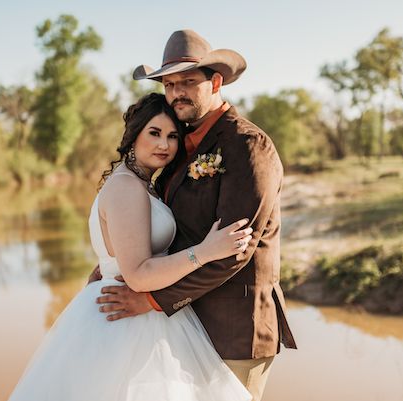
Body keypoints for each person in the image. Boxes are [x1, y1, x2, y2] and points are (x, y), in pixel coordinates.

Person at [92, 29, 297, 401]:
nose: (176, 93)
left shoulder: (247, 146)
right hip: (182, 326)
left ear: (215, 82)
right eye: (169, 85)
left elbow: (235, 251)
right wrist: (105, 273)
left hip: (235, 330)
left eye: (188, 81)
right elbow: (156, 233)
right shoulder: (176, 148)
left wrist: (151, 301)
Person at [7, 93, 253, 401]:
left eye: (172, 136)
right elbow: (137, 275)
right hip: (129, 318)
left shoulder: (140, 184)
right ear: (133, 135)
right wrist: (204, 252)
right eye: (154, 133)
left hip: (141, 312)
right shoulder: (126, 187)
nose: (164, 145)